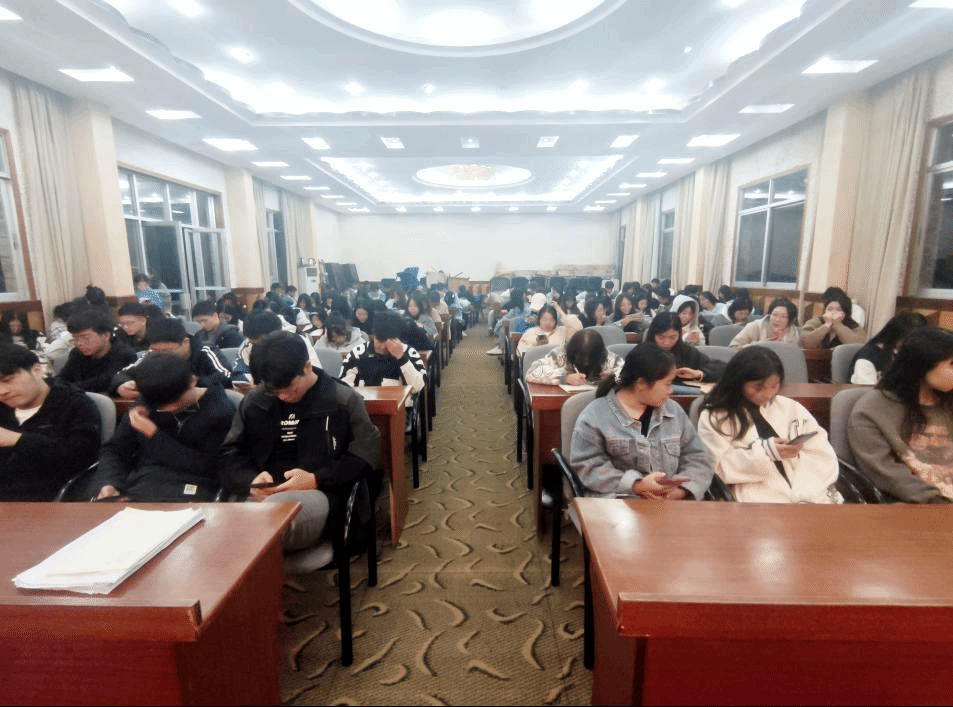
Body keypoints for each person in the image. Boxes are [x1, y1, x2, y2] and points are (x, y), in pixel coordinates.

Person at [222, 331, 381, 559]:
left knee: (261, 524)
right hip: (260, 494)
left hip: (318, 493)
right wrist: (249, 480)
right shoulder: (255, 402)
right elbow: (230, 453)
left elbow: (364, 456)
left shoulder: (342, 399)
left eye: (289, 388)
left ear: (307, 367)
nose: (282, 397)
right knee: (221, 525)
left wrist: (316, 479)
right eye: (274, 391)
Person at [698, 346, 841, 503]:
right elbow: (717, 468)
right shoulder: (717, 416)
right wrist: (766, 452)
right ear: (738, 382)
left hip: (808, 492)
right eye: (757, 387)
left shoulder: (790, 407)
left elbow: (821, 452)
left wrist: (807, 491)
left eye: (774, 386)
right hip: (757, 499)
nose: (767, 394)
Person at [570, 344, 713, 500]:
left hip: (669, 504)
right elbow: (588, 467)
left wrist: (681, 490)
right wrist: (636, 485)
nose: (671, 390)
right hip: (618, 504)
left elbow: (698, 458)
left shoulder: (674, 411)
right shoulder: (595, 415)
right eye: (667, 384)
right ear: (641, 384)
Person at [90, 353, 236, 502]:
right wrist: (109, 482)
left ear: (192, 381)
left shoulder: (220, 411)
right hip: (141, 484)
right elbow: (116, 450)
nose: (168, 408)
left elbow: (211, 468)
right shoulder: (151, 399)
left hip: (193, 488)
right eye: (161, 405)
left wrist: (153, 436)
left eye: (175, 401)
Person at [848, 328, 953, 503]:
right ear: (923, 365)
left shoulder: (948, 402)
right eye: (952, 364)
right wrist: (935, 500)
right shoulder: (872, 409)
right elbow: (884, 472)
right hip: (920, 504)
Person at [0, 343, 101, 500]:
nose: (2, 391)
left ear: (37, 370)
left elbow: (82, 457)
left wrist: (18, 440)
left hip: (44, 497)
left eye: (8, 380)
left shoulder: (74, 404)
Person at [112, 317, 232, 398]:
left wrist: (184, 383)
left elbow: (226, 376)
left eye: (167, 351)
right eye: (156, 351)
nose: (162, 356)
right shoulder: (152, 353)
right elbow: (121, 374)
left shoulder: (205, 351)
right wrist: (121, 385)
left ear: (185, 343)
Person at [340, 311, 426, 400]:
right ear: (373, 336)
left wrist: (402, 359)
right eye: (380, 340)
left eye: (391, 340)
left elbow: (418, 387)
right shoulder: (358, 353)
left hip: (401, 406)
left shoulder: (409, 352)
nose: (384, 346)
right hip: (364, 405)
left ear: (398, 338)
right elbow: (344, 387)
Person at [230, 312, 323, 386]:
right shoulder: (248, 344)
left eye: (256, 338)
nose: (253, 342)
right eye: (251, 338)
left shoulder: (298, 342)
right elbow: (239, 375)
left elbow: (314, 374)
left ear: (274, 334)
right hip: (266, 394)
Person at [57, 309, 138, 393]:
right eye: (75, 338)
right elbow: (62, 378)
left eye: (85, 338)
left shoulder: (124, 354)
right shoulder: (77, 353)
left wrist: (67, 388)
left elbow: (105, 382)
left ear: (106, 335)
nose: (79, 343)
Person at [643, 312, 725, 393]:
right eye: (661, 337)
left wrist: (699, 373)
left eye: (672, 337)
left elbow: (722, 368)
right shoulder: (642, 353)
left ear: (679, 334)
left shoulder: (684, 350)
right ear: (653, 335)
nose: (667, 342)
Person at [850, 311, 928, 385]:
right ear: (895, 336)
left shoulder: (909, 356)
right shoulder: (868, 357)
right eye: (910, 340)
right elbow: (867, 391)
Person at [525, 328, 624, 385]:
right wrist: (564, 378)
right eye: (582, 359)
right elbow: (531, 371)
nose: (585, 363)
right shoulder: (561, 354)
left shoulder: (608, 357)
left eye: (589, 359)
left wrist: (613, 377)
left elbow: (629, 374)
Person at [799, 290, 867, 349]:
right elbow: (805, 342)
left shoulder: (854, 326)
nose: (833, 312)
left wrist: (837, 325)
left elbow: (858, 345)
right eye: (830, 309)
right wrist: (826, 326)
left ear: (846, 313)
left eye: (838, 309)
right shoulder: (815, 322)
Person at [729, 297, 800, 347]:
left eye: (784, 317)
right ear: (769, 315)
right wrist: (758, 346)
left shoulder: (793, 333)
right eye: (774, 315)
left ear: (790, 320)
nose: (777, 319)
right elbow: (734, 346)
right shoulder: (755, 326)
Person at [516, 303, 581, 355]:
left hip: (557, 365)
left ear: (556, 321)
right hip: (537, 365)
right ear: (539, 320)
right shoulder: (530, 332)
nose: (548, 323)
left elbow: (577, 330)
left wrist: (560, 312)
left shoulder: (562, 331)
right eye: (544, 320)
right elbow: (520, 352)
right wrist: (536, 346)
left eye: (552, 320)